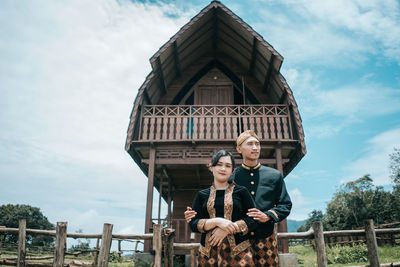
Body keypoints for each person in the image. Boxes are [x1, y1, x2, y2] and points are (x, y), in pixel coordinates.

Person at [186, 130, 292, 267]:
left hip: (265, 237)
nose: (255, 147)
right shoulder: (231, 176)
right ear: (239, 148)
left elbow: (285, 205)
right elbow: (219, 204)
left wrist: (268, 216)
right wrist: (197, 217)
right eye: (250, 144)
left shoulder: (274, 175)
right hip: (237, 241)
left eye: (257, 144)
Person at [188, 149, 258, 267]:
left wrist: (227, 228)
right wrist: (218, 221)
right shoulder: (201, 195)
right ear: (211, 167)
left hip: (240, 253)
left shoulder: (241, 192)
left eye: (228, 166)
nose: (223, 169)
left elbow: (253, 219)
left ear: (232, 171)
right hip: (208, 255)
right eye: (219, 165)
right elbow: (193, 223)